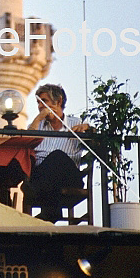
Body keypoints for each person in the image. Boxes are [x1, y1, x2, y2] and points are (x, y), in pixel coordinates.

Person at [23, 83, 90, 223]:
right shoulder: (37, 125)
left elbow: (96, 140)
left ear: (58, 101)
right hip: (42, 177)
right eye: (38, 102)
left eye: (44, 101)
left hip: (69, 177)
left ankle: (49, 212)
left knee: (57, 156)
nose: (40, 106)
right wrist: (38, 118)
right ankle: (51, 212)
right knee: (44, 173)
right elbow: (26, 141)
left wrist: (88, 128)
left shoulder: (75, 123)